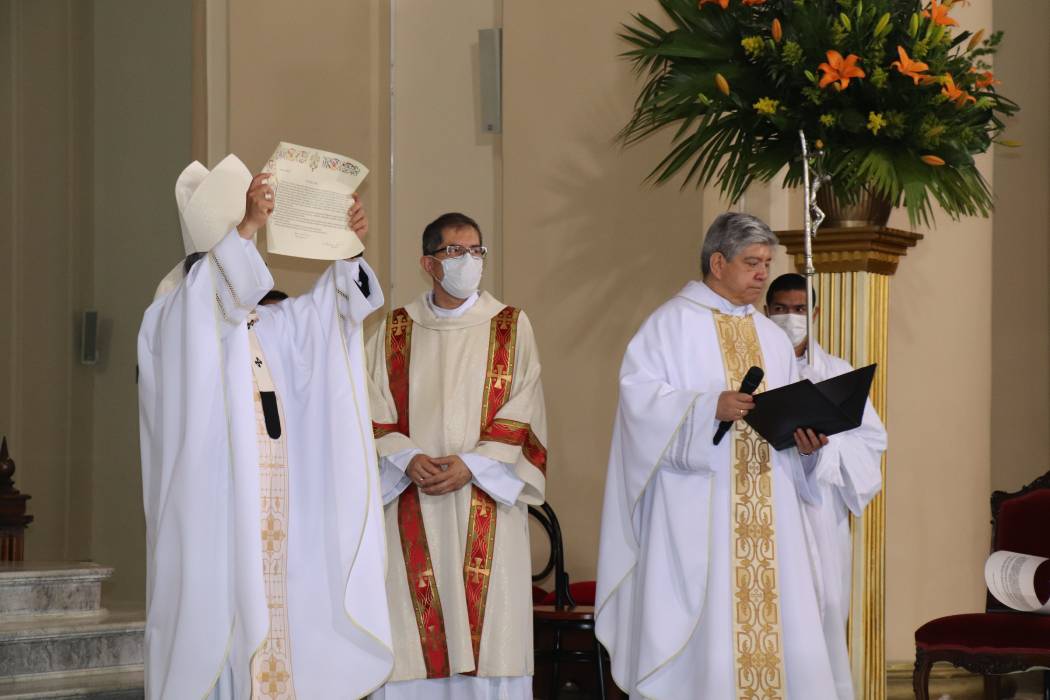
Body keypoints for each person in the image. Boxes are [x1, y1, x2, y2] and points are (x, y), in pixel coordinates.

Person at [138, 155, 393, 699]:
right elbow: (211, 304)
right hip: (218, 519)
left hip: (281, 520)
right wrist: (247, 230)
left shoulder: (269, 322)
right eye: (239, 237)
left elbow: (331, 314)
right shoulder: (171, 316)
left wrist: (347, 247)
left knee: (283, 629)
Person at [595, 212, 839, 700]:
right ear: (718, 261)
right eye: (752, 263)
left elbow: (788, 415)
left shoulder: (772, 338)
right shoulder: (669, 325)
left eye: (766, 263)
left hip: (771, 511)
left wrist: (807, 442)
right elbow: (639, 407)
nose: (761, 275)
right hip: (699, 511)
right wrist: (709, 408)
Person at [366, 212, 547, 700]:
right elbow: (368, 404)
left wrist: (475, 463)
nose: (468, 262)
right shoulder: (394, 329)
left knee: (491, 641)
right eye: (455, 252)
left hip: (483, 495)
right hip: (412, 495)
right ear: (429, 262)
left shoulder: (510, 325)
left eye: (476, 252)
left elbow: (524, 404)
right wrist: (405, 458)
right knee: (413, 635)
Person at [765, 272, 887, 700]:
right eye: (780, 309)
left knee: (823, 611)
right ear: (766, 311)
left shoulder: (837, 373)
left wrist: (822, 451)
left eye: (799, 310)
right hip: (766, 517)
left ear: (815, 314)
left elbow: (871, 446)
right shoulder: (752, 371)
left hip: (819, 517)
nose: (790, 318)